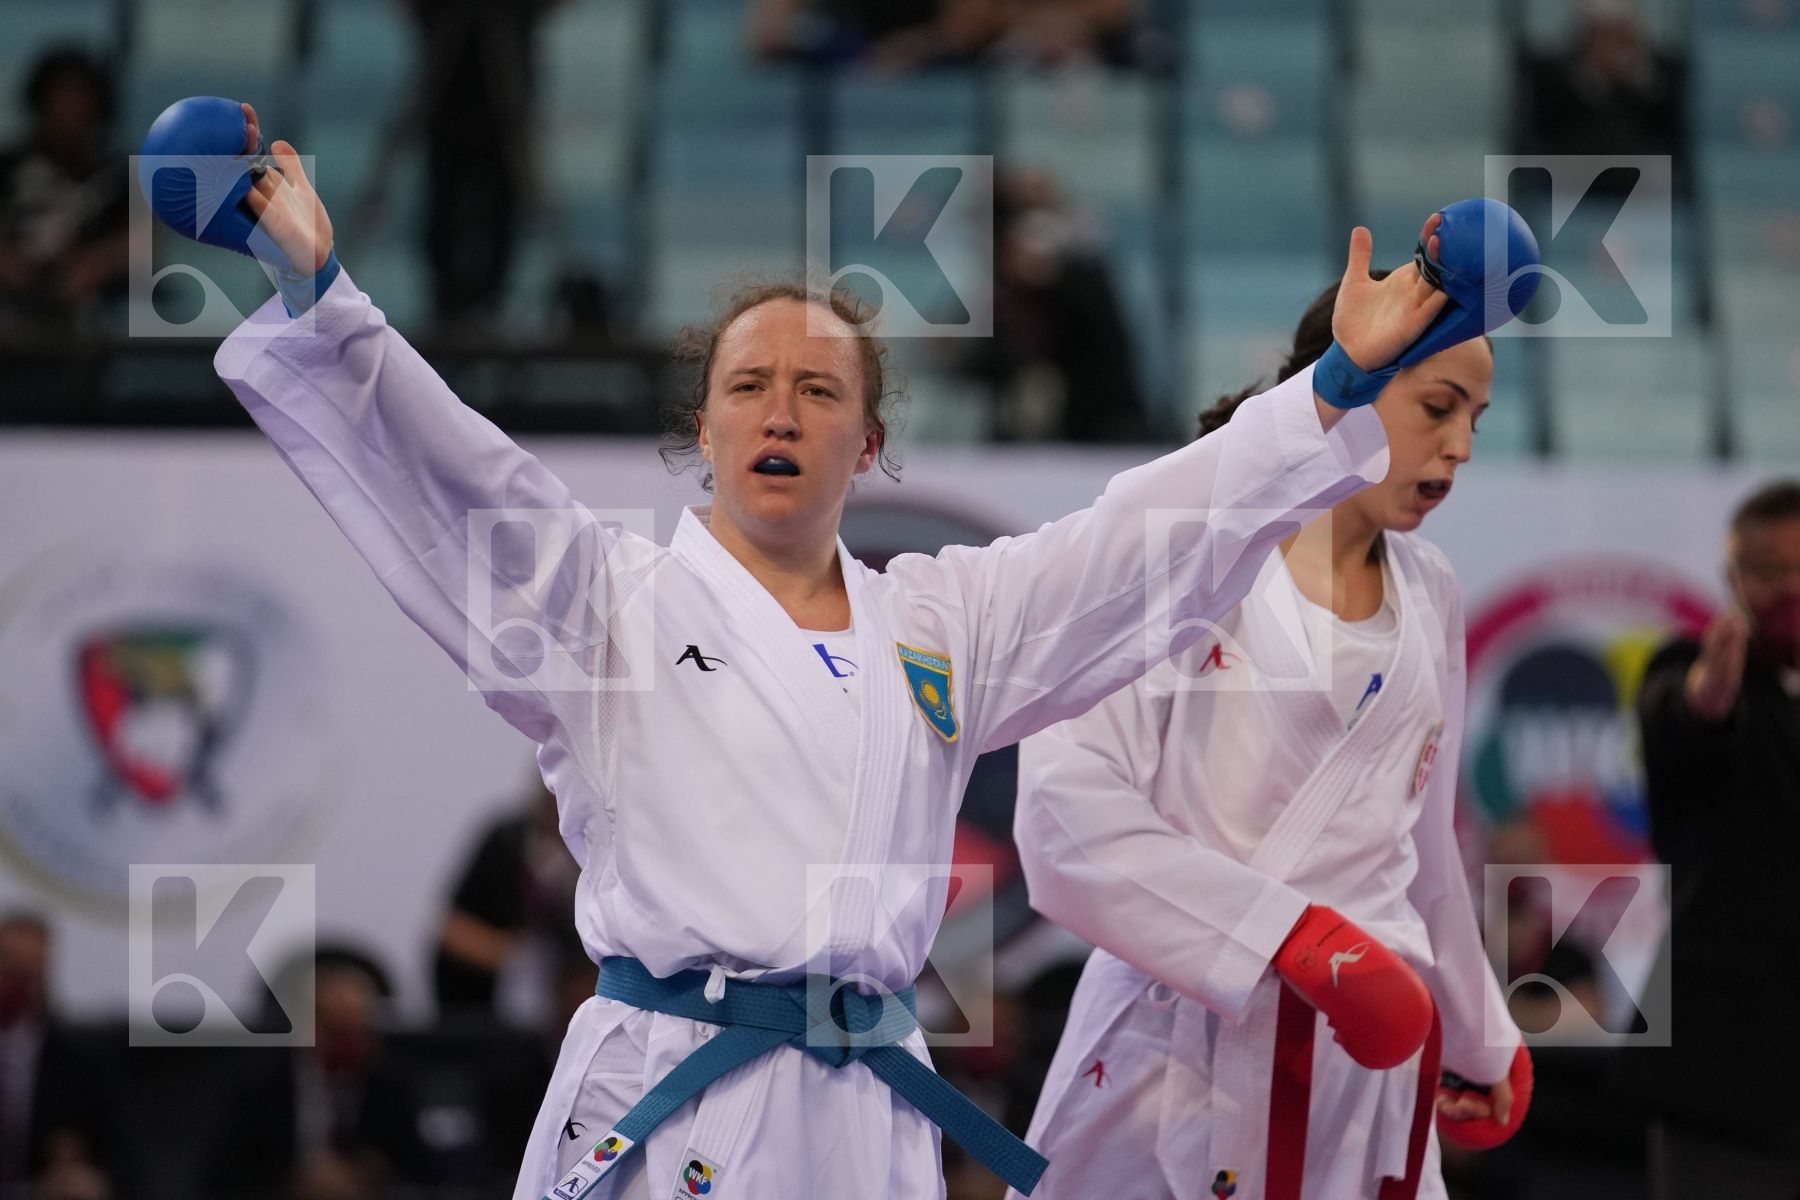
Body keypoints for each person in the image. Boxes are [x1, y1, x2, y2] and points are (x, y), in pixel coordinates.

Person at [142, 95, 1484, 1200]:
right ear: (705, 434)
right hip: (669, 1099)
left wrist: (1331, 392)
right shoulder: (604, 608)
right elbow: (452, 484)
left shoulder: (941, 625)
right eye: (748, 386)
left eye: (821, 388)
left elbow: (1137, 542)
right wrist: (325, 301)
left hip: (864, 1120)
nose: (781, 409)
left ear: (869, 441)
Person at [1009, 276, 1531, 1200]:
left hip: (1362, 1057)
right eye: (1438, 407)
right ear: (1356, 377)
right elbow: (1063, 816)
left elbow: (1423, 850)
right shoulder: (1190, 552)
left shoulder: (1432, 588)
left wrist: (1482, 1033)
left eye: (1478, 420)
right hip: (1179, 1052)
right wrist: (1291, 940)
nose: (1459, 446)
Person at [1626, 480, 1800, 1199]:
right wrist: (1712, 693)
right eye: (1770, 573)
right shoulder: (1689, 670)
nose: (1792, 590)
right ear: (1733, 580)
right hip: (1727, 1077)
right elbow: (1690, 715)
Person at [434, 776, 585, 1023]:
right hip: (486, 1016)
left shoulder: (601, 854)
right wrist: (525, 961)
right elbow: (452, 931)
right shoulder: (507, 842)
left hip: (568, 1016)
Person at [0, 46, 129, 335]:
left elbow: (143, 242)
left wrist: (94, 266)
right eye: (61, 96)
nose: (70, 108)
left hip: (87, 314)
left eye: (81, 97)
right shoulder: (8, 166)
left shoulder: (116, 178)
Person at [0, 913, 115, 1200]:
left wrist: (86, 1177)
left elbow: (122, 1160)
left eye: (30, 971)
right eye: (10, 965)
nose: (18, 982)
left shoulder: (79, 1061)